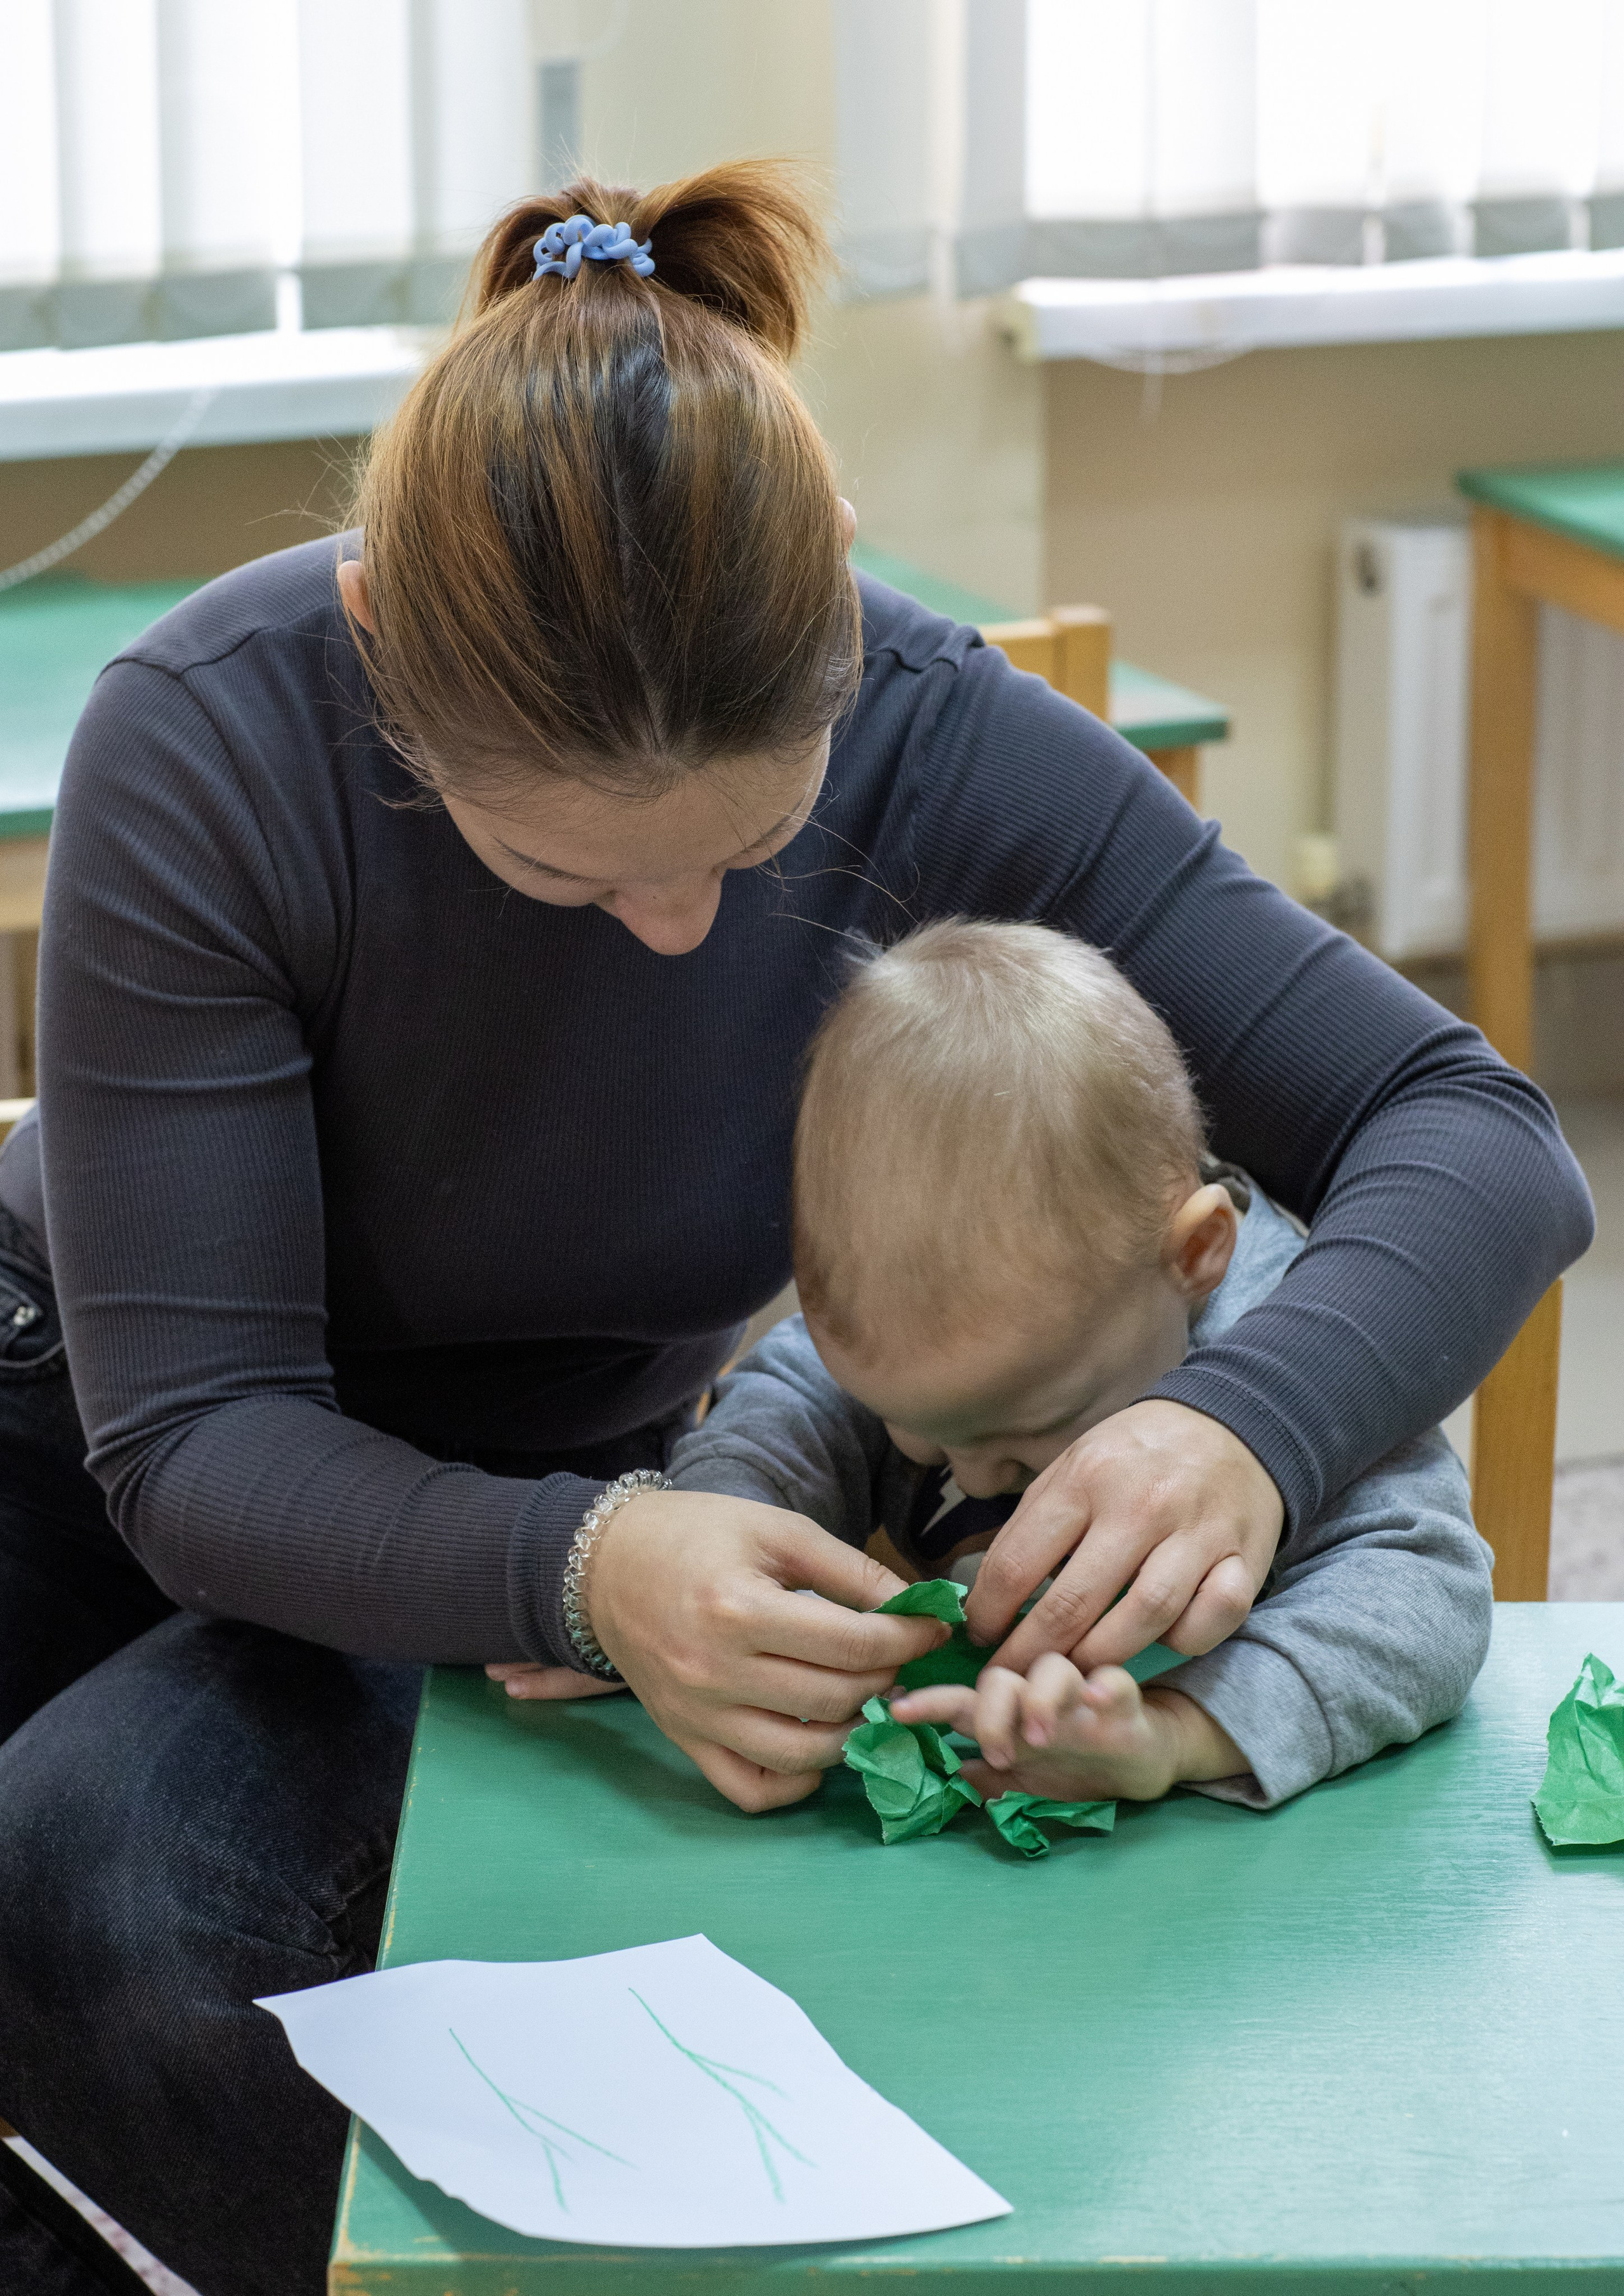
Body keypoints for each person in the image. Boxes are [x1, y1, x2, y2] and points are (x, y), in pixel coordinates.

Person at [0, 159, 1590, 2296]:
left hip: (531, 1501)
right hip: (82, 1433)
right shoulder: (206, 746)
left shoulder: (944, 736)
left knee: (122, 1884)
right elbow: (194, 1450)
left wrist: (1252, 1428)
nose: (676, 936)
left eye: (748, 855)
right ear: (380, 637)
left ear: (836, 597)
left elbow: (1471, 1135)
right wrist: (581, 1563)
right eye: (569, 881)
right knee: (85, 1916)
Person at [609, 920, 1491, 1813]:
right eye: (914, 1432)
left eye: (1025, 1429)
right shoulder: (933, 1344)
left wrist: (1180, 1735)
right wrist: (714, 1547)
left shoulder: (1289, 1342)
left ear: (1195, 1257)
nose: (970, 1471)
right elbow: (782, 1406)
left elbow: (1429, 1599)